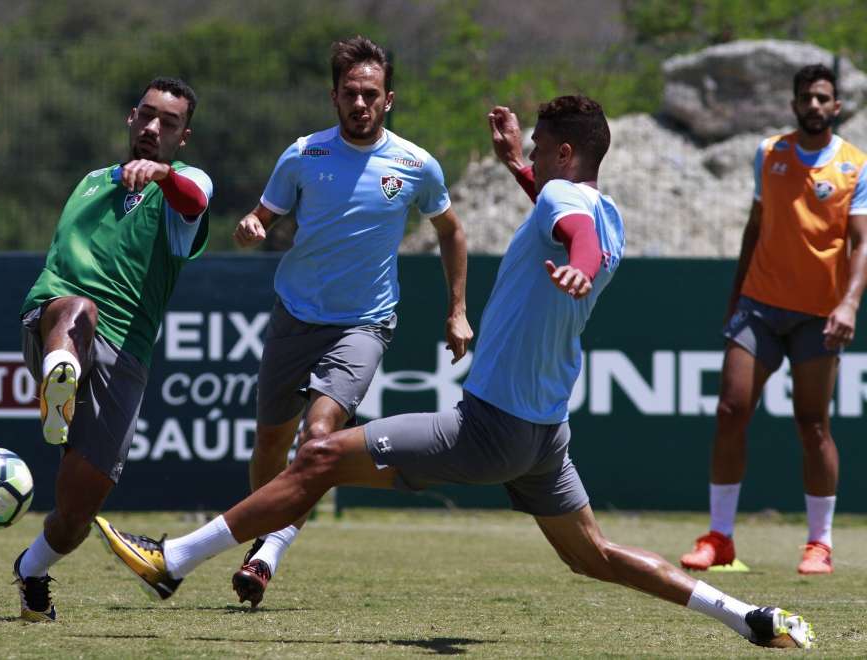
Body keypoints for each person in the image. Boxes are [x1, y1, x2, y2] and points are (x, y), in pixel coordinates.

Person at [94, 95, 815, 649]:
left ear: (565, 151)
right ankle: (745, 617)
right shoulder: (606, 205)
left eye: (537, 145)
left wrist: (578, 266)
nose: (529, 150)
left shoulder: (580, 217)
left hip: (487, 429)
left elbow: (575, 232)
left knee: (315, 455)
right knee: (592, 555)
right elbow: (570, 211)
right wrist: (516, 169)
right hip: (544, 438)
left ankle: (176, 560)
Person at [225, 35, 470, 607]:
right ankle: (268, 531)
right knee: (270, 445)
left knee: (318, 438)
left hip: (364, 323)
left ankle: (267, 556)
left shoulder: (415, 164)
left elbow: (451, 232)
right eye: (350, 94)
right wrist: (250, 227)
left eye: (371, 94)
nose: (360, 104)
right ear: (334, 96)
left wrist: (457, 310)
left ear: (389, 99)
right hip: (295, 314)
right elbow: (262, 216)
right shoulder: (304, 155)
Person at [11, 77, 213, 622]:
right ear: (131, 117)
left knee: (78, 511)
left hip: (124, 355)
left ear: (182, 136)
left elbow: (192, 201)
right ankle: (60, 375)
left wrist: (165, 176)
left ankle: (30, 570)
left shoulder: (186, 186)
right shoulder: (89, 182)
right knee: (76, 308)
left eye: (167, 123)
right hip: (55, 320)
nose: (153, 128)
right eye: (146, 116)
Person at [680, 64, 867, 576]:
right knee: (729, 411)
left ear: (836, 106)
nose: (813, 104)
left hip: (819, 314)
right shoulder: (769, 153)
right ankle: (719, 538)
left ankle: (819, 543)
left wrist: (849, 303)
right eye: (805, 96)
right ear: (793, 104)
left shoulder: (855, 165)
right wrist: (736, 293)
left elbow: (861, 242)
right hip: (759, 305)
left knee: (813, 425)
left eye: (822, 97)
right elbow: (755, 226)